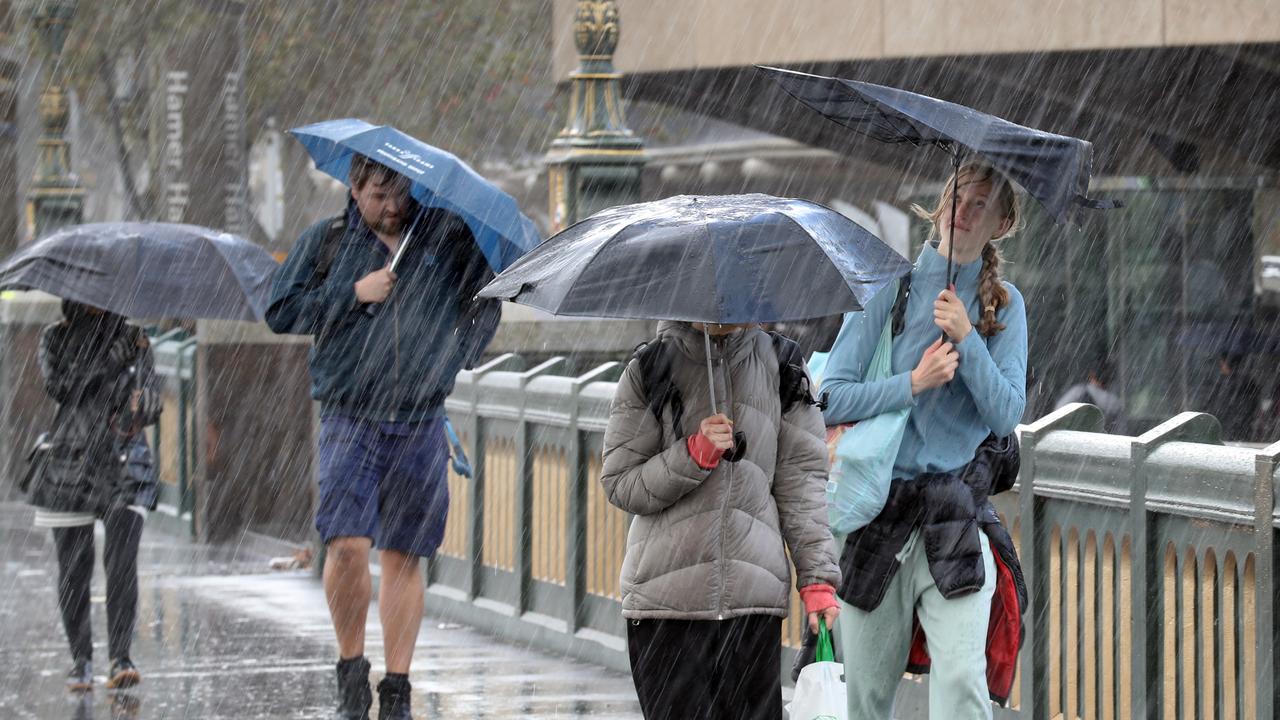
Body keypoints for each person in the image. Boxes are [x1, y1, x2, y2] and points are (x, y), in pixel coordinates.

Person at [266, 153, 500, 720]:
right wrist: (353, 293)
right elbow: (281, 310)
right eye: (378, 194)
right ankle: (352, 670)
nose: (392, 206)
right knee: (346, 546)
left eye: (399, 193)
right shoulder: (327, 242)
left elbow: (489, 298)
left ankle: (396, 687)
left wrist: (458, 352)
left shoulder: (444, 241)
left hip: (420, 418)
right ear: (354, 186)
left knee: (405, 555)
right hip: (351, 416)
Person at [821, 162, 1027, 719]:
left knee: (963, 688)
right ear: (939, 206)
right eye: (957, 197)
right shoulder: (890, 290)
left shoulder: (1005, 306)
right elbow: (830, 397)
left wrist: (968, 339)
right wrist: (911, 383)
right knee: (864, 698)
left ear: (1002, 223)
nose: (963, 210)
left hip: (954, 517)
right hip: (876, 516)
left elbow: (1007, 415)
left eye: (980, 204)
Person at [600, 320, 842, 720]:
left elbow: (802, 483)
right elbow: (620, 483)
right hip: (666, 608)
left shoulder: (783, 366)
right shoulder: (651, 367)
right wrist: (690, 455)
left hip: (753, 604)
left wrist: (817, 578)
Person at [26, 300, 162, 692]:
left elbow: (149, 391)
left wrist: (148, 401)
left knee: (121, 563)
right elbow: (61, 389)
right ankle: (81, 660)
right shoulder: (54, 337)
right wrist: (105, 362)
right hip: (69, 459)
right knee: (73, 568)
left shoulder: (134, 338)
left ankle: (121, 657)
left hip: (124, 460)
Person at [1055, 359, 1126, 433]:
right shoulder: (1115, 404)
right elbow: (1121, 432)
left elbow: (1055, 420)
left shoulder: (1076, 394)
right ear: (1112, 379)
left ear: (1091, 375)